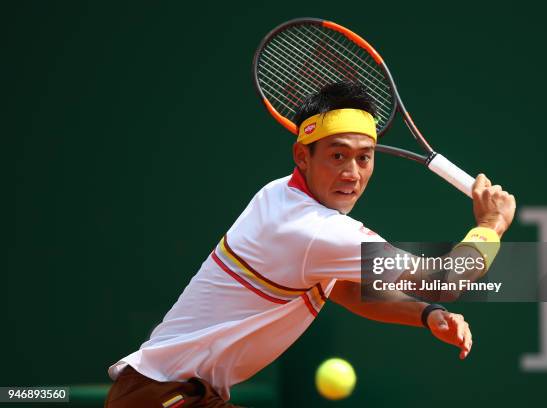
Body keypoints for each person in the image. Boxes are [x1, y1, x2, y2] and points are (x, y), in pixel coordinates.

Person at [104, 81, 516, 408]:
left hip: (163, 395)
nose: (353, 173)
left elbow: (349, 291)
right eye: (337, 156)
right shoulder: (314, 230)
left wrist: (425, 315)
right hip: (163, 398)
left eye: (364, 157)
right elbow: (444, 279)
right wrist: (491, 225)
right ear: (303, 156)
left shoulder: (279, 196)